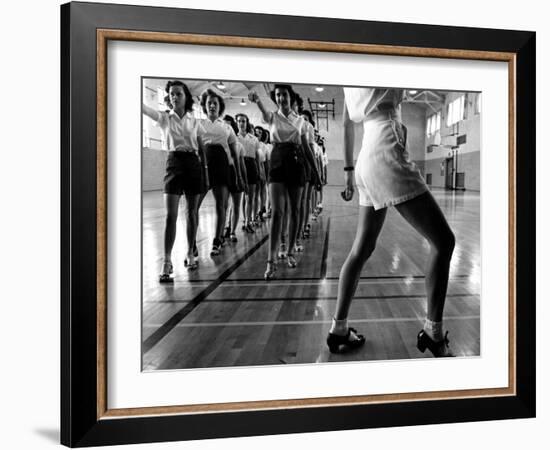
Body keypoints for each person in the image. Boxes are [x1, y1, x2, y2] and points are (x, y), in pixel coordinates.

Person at [327, 87, 455, 358]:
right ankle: (433, 333)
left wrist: (349, 171)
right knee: (443, 242)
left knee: (361, 250)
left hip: (365, 155)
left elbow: (347, 122)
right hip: (386, 145)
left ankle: (338, 328)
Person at [248, 84, 321, 279]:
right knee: (278, 212)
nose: (281, 98)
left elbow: (307, 149)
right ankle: (271, 260)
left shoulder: (301, 122)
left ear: (291, 97)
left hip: (296, 163)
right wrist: (258, 102)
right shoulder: (272, 116)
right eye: (278, 95)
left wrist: (316, 173)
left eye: (284, 95)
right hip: (277, 162)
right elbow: (263, 111)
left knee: (295, 210)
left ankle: (289, 252)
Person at [141, 80, 206, 280]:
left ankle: (190, 253)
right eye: (171, 94)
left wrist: (205, 171)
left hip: (193, 164)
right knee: (171, 215)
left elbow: (202, 148)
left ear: (185, 97)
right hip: (174, 163)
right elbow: (144, 109)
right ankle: (167, 261)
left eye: (178, 93)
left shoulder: (195, 122)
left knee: (192, 213)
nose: (174, 96)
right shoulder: (164, 118)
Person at [198, 89, 244, 256]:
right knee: (194, 206)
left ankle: (217, 240)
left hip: (222, 166)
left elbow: (235, 154)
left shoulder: (227, 127)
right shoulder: (198, 124)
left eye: (215, 103)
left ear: (220, 107)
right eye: (209, 103)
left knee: (221, 205)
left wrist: (238, 176)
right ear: (204, 106)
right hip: (203, 165)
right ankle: (192, 245)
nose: (212, 105)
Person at [223, 114, 247, 242]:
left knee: (236, 205)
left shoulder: (238, 145)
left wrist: (243, 179)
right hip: (224, 174)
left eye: (228, 125)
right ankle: (223, 230)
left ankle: (232, 231)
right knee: (223, 205)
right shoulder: (219, 143)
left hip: (235, 173)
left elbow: (242, 165)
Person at [236, 113, 262, 233]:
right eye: (239, 121)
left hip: (251, 165)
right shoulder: (234, 138)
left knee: (250, 196)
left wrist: (259, 170)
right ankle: (234, 225)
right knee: (238, 197)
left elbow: (257, 156)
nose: (241, 123)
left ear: (247, 123)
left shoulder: (254, 139)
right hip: (238, 166)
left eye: (244, 121)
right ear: (236, 123)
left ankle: (248, 221)